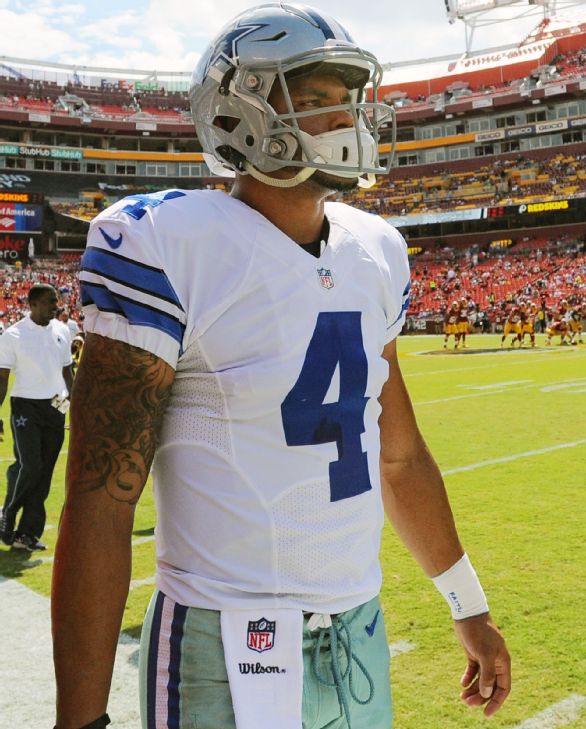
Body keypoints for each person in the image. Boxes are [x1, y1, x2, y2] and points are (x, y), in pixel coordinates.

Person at [51, 6, 510, 729]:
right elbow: (103, 497)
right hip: (220, 642)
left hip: (356, 631)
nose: (346, 119)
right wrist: (79, 719)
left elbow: (398, 455)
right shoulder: (164, 243)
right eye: (319, 98)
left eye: (349, 100)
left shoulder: (378, 250)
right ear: (239, 113)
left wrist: (467, 602)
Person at [0, 283, 75, 551]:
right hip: (25, 405)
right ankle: (8, 513)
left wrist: (73, 408)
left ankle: (27, 534)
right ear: (31, 304)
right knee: (30, 466)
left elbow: (68, 373)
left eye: (56, 301)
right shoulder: (13, 335)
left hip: (56, 405)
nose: (55, 306)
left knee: (44, 475)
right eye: (48, 302)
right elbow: (2, 380)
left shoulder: (63, 330)